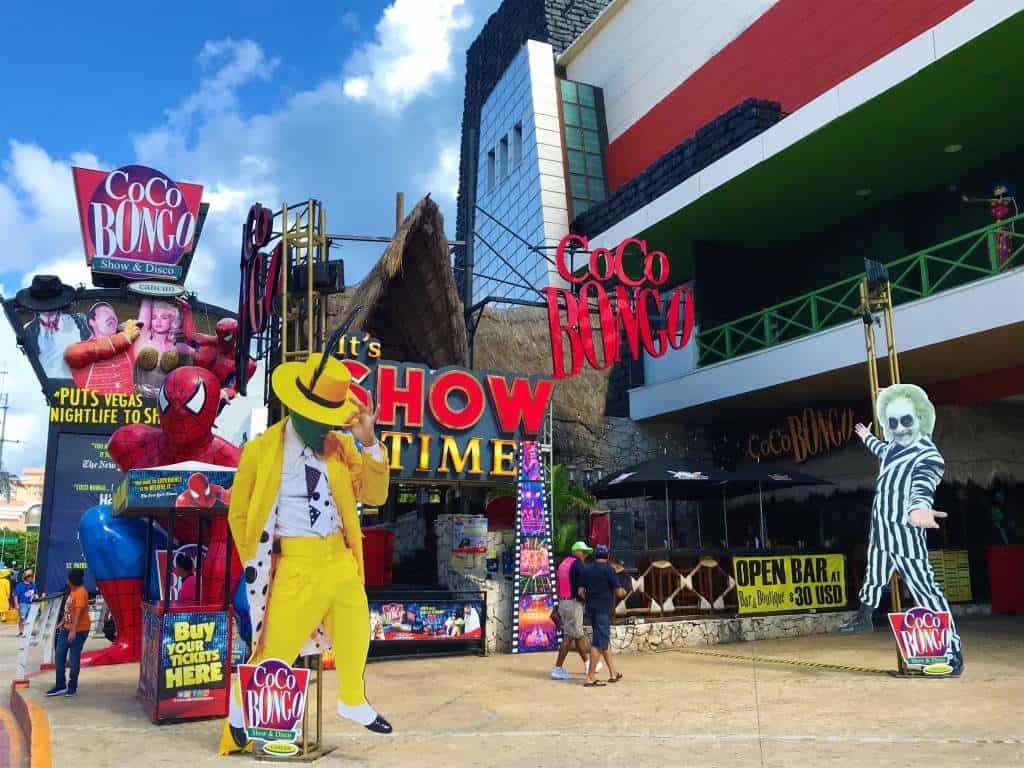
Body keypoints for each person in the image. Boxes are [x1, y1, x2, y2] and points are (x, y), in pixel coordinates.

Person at [220, 340, 392, 754]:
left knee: (355, 627)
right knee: (277, 648)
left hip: (339, 558)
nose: (325, 427)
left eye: (331, 419)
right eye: (319, 419)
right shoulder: (261, 451)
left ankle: (352, 697)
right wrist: (259, 559)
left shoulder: (342, 448)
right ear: (296, 409)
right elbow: (239, 514)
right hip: (296, 563)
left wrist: (368, 444)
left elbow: (375, 494)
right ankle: (242, 714)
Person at [838, 384, 963, 675]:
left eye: (906, 421)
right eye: (892, 423)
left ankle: (952, 650)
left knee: (926, 592)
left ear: (920, 419)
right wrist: (867, 437)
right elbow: (884, 450)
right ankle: (865, 616)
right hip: (882, 529)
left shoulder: (928, 455)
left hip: (905, 536)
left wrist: (919, 506)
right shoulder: (894, 446)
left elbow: (924, 483)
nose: (900, 428)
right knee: (875, 574)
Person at [550, 541, 602, 680]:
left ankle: (587, 663)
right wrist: (590, 599)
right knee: (569, 636)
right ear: (577, 551)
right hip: (574, 603)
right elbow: (581, 589)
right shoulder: (579, 566)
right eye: (584, 552)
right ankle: (558, 668)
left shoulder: (563, 563)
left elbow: (558, 585)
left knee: (577, 634)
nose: (585, 555)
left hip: (563, 602)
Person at [64, 302, 140, 393]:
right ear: (92, 322)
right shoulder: (80, 348)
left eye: (113, 314)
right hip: (92, 406)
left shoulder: (130, 346)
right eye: (105, 312)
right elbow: (72, 354)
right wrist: (123, 338)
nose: (112, 316)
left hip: (132, 406)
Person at [582, 545, 625, 687]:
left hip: (590, 609)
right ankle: (590, 677)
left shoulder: (587, 569)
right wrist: (623, 591)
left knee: (603, 640)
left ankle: (613, 673)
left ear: (595, 555)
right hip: (603, 610)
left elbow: (581, 591)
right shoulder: (609, 570)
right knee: (598, 643)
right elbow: (619, 592)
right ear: (607, 557)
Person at [47, 568, 91, 697]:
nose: (66, 581)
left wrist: (73, 630)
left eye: (68, 579)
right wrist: (62, 621)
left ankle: (72, 686)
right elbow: (69, 610)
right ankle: (60, 684)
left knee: (73, 658)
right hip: (66, 628)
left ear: (72, 581)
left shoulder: (81, 592)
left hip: (79, 631)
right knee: (59, 656)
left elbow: (78, 612)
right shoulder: (72, 591)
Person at [14, 569, 36, 637]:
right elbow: (15, 595)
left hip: (31, 604)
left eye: (32, 576)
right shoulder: (20, 585)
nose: (31, 578)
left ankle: (28, 631)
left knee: (31, 618)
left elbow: (36, 594)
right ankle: (21, 632)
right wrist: (16, 604)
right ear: (26, 577)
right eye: (30, 576)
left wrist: (36, 599)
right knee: (22, 618)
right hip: (23, 604)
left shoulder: (33, 585)